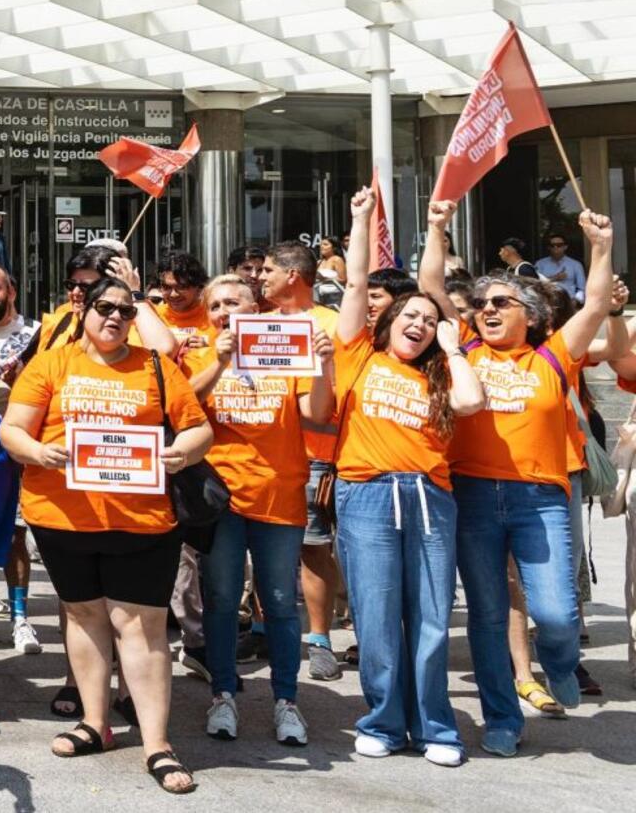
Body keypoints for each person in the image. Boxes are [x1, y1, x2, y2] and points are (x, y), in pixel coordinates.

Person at [0, 276, 213, 795]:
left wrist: (181, 453)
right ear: (83, 310)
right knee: (83, 614)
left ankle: (157, 744)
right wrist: (37, 451)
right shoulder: (52, 363)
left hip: (142, 521)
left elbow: (199, 428)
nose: (114, 316)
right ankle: (95, 723)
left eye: (125, 310)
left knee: (141, 627)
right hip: (62, 518)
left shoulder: (156, 367)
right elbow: (12, 428)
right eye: (104, 307)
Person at [421, 200, 614, 753]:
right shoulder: (465, 347)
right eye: (482, 303)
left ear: (529, 315)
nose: (487, 309)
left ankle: (559, 662)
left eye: (501, 302)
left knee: (556, 613)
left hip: (540, 500)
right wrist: (436, 227)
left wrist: (601, 246)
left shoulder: (554, 356)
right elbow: (431, 283)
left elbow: (596, 303)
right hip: (473, 498)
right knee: (486, 616)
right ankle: (502, 719)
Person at [334, 187, 485, 766]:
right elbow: (355, 285)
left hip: (428, 498)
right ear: (388, 322)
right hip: (367, 495)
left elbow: (471, 403)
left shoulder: (444, 373)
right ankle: (382, 721)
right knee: (376, 618)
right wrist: (362, 218)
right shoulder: (358, 354)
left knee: (430, 619)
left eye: (428, 319)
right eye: (410, 316)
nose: (419, 323)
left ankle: (436, 729)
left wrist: (454, 347)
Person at [186, 273, 329, 746]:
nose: (224, 312)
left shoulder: (286, 349)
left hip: (278, 495)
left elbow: (316, 413)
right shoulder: (198, 354)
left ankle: (286, 700)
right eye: (215, 306)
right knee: (222, 600)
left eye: (234, 303)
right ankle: (223, 694)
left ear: (256, 309)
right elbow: (183, 407)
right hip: (221, 500)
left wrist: (324, 365)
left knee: (281, 602)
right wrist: (220, 361)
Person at [259, 239, 348, 682]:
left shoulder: (332, 324)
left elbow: (340, 396)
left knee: (313, 549)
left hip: (315, 457)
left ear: (292, 275)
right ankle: (262, 630)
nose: (260, 278)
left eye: (268, 270)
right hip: (262, 456)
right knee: (261, 551)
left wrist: (324, 363)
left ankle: (320, 639)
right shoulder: (255, 325)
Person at [0, 265, 42, 655]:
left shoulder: (34, 334)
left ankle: (20, 616)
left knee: (17, 533)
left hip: (17, 447)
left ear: (13, 292)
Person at [153, 251, 214, 350]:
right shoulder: (152, 316)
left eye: (181, 287)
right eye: (166, 287)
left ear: (199, 287)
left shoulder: (215, 317)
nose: (173, 294)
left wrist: (208, 351)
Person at [535, 232, 586, 303]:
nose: (555, 247)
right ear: (548, 247)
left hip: (569, 302)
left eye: (559, 245)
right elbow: (535, 284)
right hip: (547, 302)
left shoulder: (576, 265)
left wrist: (576, 301)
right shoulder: (540, 264)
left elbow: (582, 288)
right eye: (552, 245)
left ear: (565, 247)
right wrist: (554, 278)